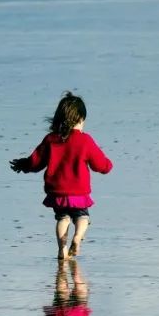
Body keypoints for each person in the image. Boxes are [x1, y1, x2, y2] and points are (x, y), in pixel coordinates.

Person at [10, 92, 113, 259]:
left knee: (62, 218)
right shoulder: (85, 140)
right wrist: (108, 166)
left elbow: (36, 162)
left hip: (57, 192)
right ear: (80, 119)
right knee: (82, 216)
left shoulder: (51, 139)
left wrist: (24, 165)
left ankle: (62, 249)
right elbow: (100, 163)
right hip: (79, 192)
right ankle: (78, 237)